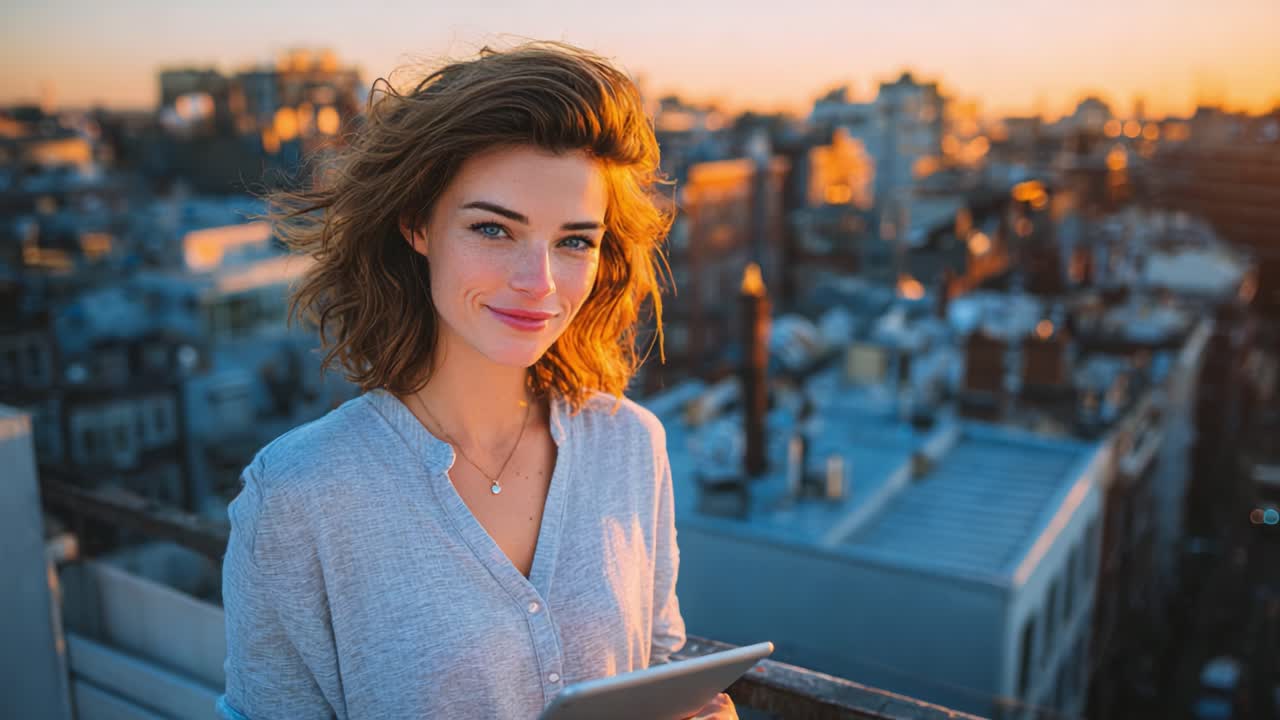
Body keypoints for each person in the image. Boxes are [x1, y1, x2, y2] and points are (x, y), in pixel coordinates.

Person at [217, 41, 738, 719]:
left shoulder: (631, 447)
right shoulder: (299, 495)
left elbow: (660, 665)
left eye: (574, 240)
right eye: (494, 228)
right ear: (417, 223)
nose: (538, 283)